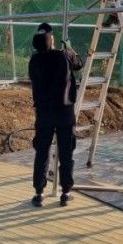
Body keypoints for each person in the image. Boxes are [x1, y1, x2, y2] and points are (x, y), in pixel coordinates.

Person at [28, 22, 84, 207]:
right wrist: (69, 47)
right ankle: (66, 192)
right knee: (66, 152)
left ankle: (38, 192)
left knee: (42, 152)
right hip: (64, 112)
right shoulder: (64, 56)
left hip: (44, 112)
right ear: (50, 40)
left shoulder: (34, 61)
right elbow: (78, 64)